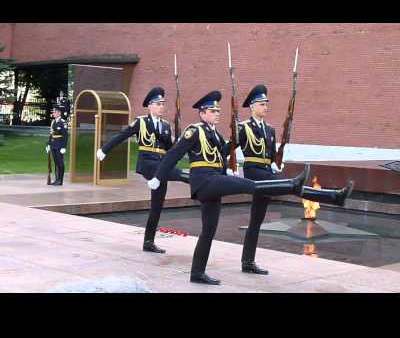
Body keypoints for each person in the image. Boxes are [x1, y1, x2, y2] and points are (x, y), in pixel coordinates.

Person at [147, 90, 310, 285]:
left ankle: (197, 273)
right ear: (202, 113)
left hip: (213, 181)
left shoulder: (215, 134)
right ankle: (291, 185)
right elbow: (173, 154)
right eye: (213, 110)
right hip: (204, 181)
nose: (217, 113)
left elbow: (221, 157)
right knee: (248, 184)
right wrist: (158, 176)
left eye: (217, 110)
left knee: (209, 231)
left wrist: (229, 167)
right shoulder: (195, 130)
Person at [237, 84, 354, 274]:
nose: (266, 107)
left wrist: (276, 161)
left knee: (256, 221)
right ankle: (333, 197)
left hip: (268, 172)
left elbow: (272, 154)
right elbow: (225, 150)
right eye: (261, 104)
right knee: (292, 186)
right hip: (254, 174)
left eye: (266, 103)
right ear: (252, 106)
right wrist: (227, 167)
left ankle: (247, 262)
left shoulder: (270, 129)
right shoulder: (243, 127)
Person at [96, 87, 189, 254]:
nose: (162, 106)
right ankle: (195, 179)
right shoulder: (141, 122)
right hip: (147, 163)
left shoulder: (166, 126)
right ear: (150, 106)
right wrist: (104, 150)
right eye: (158, 104)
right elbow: (121, 136)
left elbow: (169, 148)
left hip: (161, 165)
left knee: (157, 206)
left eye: (163, 104)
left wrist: (179, 140)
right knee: (178, 174)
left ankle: (148, 241)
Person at [46, 105, 68, 186]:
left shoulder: (63, 122)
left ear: (59, 113)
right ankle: (56, 180)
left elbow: (65, 136)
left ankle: (60, 180)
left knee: (60, 162)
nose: (53, 113)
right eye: (53, 112)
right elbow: (51, 134)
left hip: (59, 145)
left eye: (55, 112)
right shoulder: (53, 122)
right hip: (53, 145)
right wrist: (48, 144)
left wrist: (64, 147)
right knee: (55, 162)